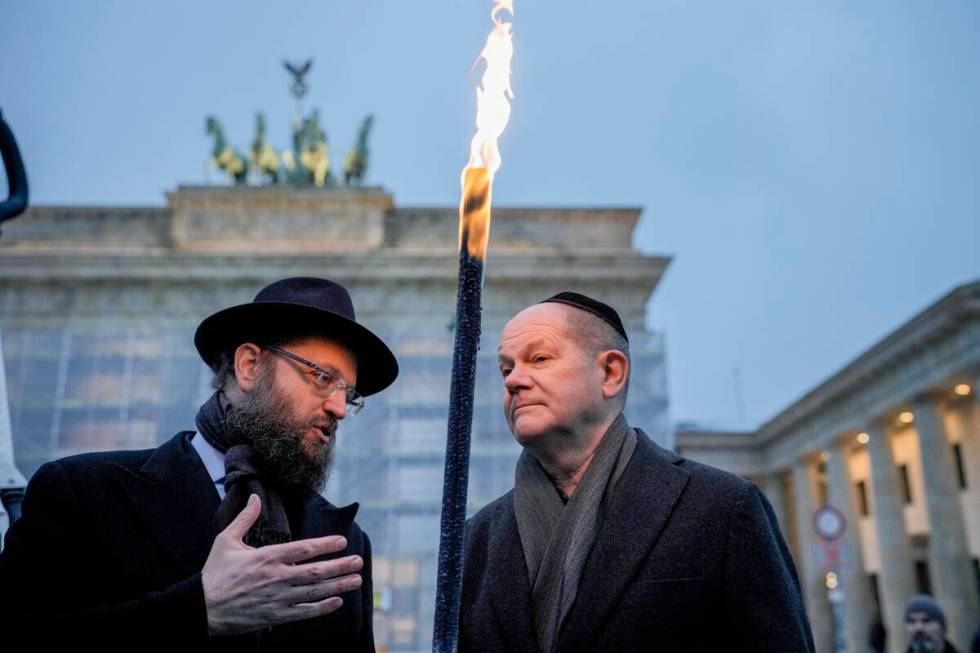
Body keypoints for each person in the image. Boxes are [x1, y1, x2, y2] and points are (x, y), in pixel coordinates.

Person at [0, 277, 398, 649]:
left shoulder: (345, 541)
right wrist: (199, 609)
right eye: (323, 377)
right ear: (249, 366)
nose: (339, 408)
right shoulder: (83, 493)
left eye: (350, 393)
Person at [459, 291, 815, 652]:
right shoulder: (477, 537)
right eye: (507, 368)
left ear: (611, 373)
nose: (512, 381)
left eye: (539, 358)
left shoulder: (721, 508)